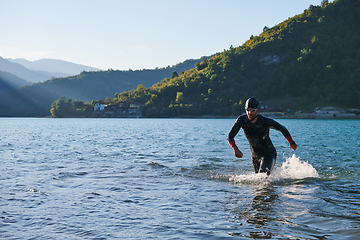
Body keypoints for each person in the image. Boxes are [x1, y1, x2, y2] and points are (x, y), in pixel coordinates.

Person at [227, 98, 298, 175]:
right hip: (254, 155)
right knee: (258, 181)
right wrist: (235, 148)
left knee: (263, 177)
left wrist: (291, 142)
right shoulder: (242, 121)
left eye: (252, 110)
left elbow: (282, 128)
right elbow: (230, 136)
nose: (249, 112)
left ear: (257, 110)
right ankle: (274, 184)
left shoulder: (265, 121)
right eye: (248, 110)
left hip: (268, 153)